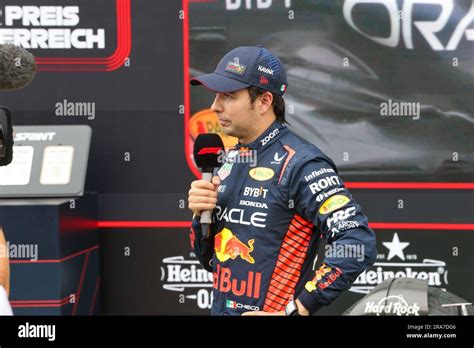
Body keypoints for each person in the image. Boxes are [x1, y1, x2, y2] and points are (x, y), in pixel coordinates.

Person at [188, 45, 376, 315]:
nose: (215, 106)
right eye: (217, 96)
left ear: (264, 101)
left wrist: (297, 309)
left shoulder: (302, 163)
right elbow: (210, 261)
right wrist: (200, 216)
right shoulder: (230, 159)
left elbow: (357, 241)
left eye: (228, 96)